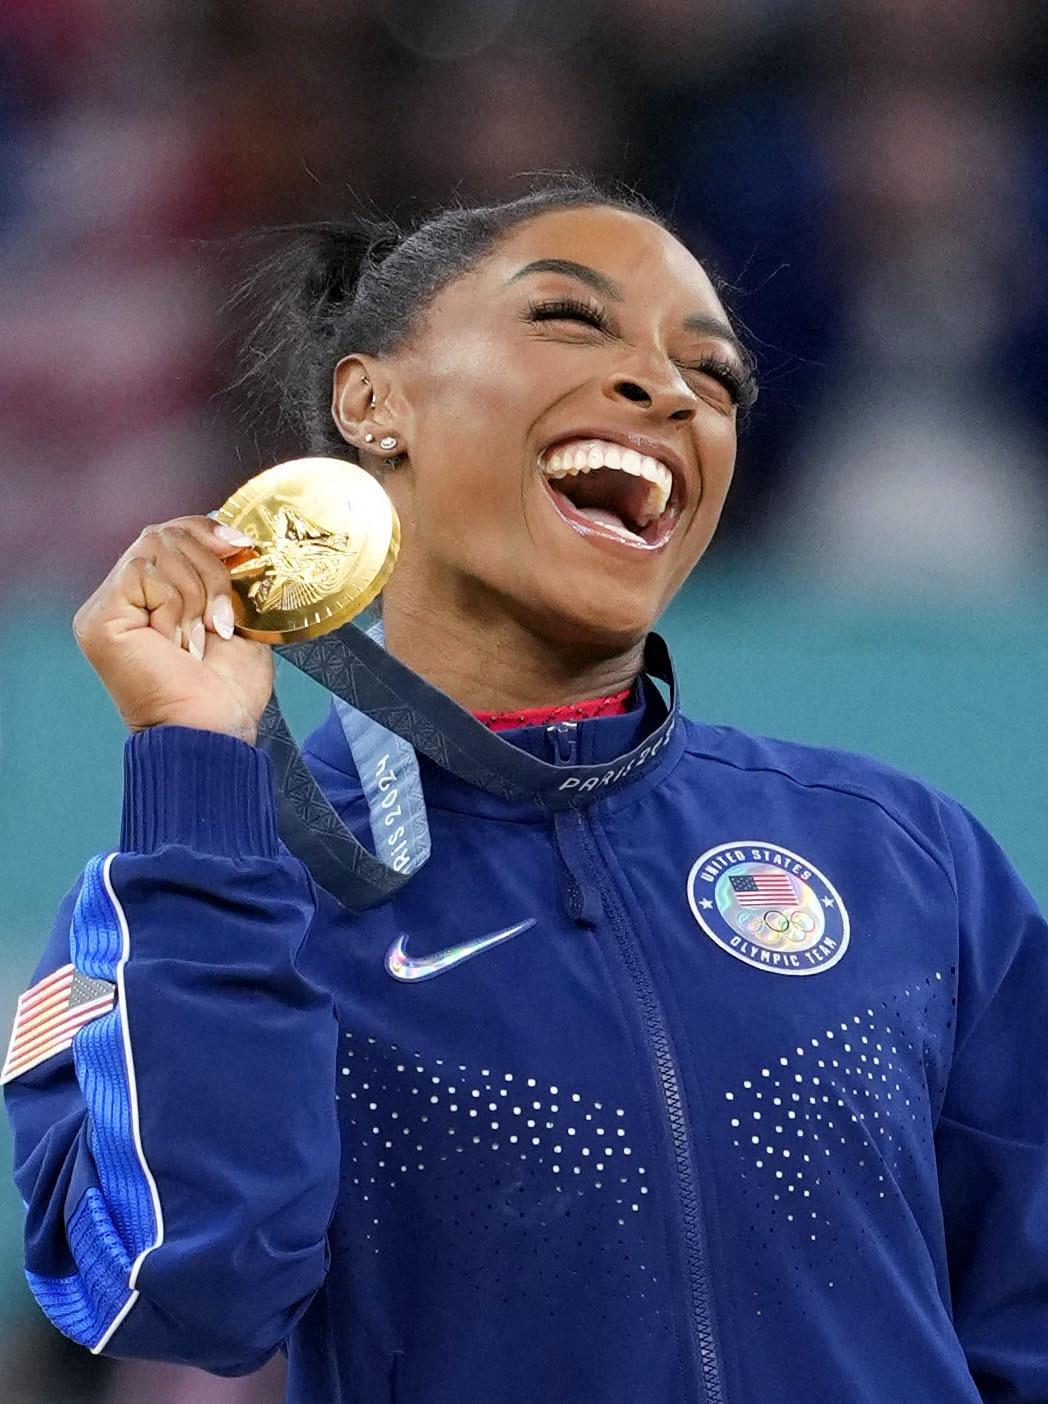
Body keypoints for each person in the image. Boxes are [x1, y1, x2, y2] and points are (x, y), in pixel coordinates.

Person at [4, 177, 1047, 1404]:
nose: (669, 389)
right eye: (569, 317)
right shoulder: (209, 890)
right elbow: (185, 1289)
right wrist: (195, 768)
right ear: (371, 398)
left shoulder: (901, 858)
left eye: (712, 379)